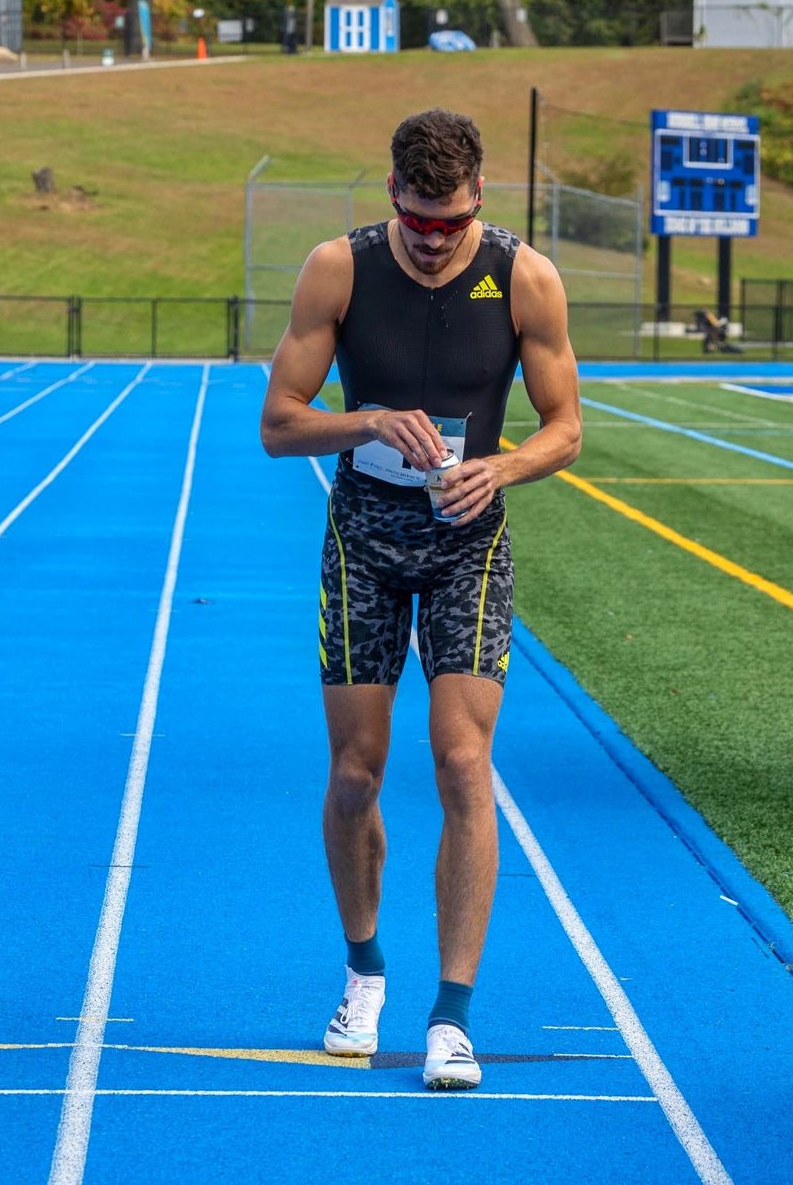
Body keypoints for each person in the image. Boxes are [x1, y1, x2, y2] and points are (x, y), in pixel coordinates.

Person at [260, 109, 583, 1091]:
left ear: (477, 196)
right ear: (391, 196)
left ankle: (450, 1015)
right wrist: (363, 420)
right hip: (362, 533)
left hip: (463, 542)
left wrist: (503, 468)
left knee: (459, 760)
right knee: (355, 772)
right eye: (415, 222)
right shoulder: (339, 269)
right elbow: (277, 423)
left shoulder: (524, 276)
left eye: (449, 225)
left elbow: (565, 426)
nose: (432, 242)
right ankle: (362, 973)